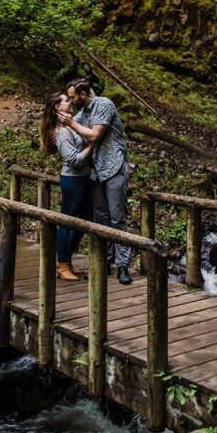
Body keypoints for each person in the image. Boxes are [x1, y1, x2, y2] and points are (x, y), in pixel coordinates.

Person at [57, 78, 132, 285]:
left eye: (73, 98)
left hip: (113, 168)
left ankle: (123, 265)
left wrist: (71, 122)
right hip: (95, 172)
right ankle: (106, 261)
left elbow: (95, 134)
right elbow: (70, 129)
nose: (71, 102)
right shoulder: (84, 113)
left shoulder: (104, 104)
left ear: (83, 95)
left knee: (117, 217)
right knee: (101, 219)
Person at [38, 92, 93, 282]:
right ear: (57, 107)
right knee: (66, 222)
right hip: (72, 180)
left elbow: (79, 117)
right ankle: (62, 265)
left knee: (85, 219)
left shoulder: (68, 125)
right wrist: (91, 145)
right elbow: (74, 159)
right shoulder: (61, 133)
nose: (70, 102)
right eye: (66, 101)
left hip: (83, 179)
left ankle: (66, 261)